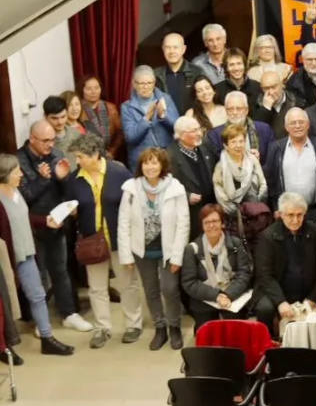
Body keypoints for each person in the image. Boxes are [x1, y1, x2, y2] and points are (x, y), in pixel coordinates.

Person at [67, 134, 142, 348]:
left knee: (128, 284)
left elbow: (134, 203)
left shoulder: (119, 172)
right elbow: (70, 207)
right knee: (97, 287)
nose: (78, 161)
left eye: (80, 157)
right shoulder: (75, 179)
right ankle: (102, 328)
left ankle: (133, 325)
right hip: (92, 240)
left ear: (95, 155)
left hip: (119, 239)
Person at [0, 154, 75, 356]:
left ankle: (46, 338)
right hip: (6, 262)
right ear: (5, 175)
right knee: (4, 306)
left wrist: (45, 221)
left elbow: (25, 217)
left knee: (38, 296)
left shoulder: (16, 193)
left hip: (26, 254)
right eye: (16, 171)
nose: (21, 174)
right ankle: (4, 346)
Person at [17, 120, 88, 332]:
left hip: (57, 222)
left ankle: (69, 313)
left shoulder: (57, 154)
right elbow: (23, 197)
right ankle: (41, 320)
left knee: (61, 270)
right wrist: (42, 179)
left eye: (52, 139)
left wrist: (63, 179)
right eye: (45, 140)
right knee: (37, 275)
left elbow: (66, 189)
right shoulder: (19, 161)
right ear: (32, 139)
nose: (50, 144)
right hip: (32, 226)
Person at [116, 147, 190, 350]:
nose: (150, 167)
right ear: (141, 166)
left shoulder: (175, 187)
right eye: (146, 163)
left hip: (168, 250)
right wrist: (126, 255)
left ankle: (174, 326)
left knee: (170, 288)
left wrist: (177, 257)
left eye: (154, 162)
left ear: (162, 165)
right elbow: (123, 223)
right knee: (150, 290)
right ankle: (160, 328)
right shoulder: (131, 188)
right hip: (142, 250)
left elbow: (183, 223)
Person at [252, 192, 316, 336]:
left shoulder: (315, 231)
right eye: (290, 215)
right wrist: (280, 302)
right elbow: (264, 274)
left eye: (299, 215)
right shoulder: (267, 236)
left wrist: (314, 298)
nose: (295, 220)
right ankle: (269, 341)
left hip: (306, 290)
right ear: (281, 214)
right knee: (264, 308)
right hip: (276, 289)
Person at [179, 204, 254, 329]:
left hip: (231, 294)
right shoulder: (192, 249)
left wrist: (227, 294)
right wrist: (216, 296)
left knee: (234, 329)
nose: (211, 225)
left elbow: (244, 273)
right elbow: (189, 282)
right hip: (205, 297)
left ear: (222, 223)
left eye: (215, 221)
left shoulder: (235, 244)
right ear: (202, 226)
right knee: (206, 332)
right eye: (207, 222)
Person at [263, 107, 316, 220]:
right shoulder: (275, 148)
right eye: (293, 123)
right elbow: (270, 181)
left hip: (314, 212)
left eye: (301, 122)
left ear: (308, 125)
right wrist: (275, 208)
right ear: (286, 127)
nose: (297, 126)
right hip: (285, 213)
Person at [212, 122, 268, 234]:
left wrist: (256, 205)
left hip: (256, 214)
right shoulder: (220, 167)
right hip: (233, 219)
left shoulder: (252, 160)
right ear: (225, 145)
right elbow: (220, 194)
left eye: (241, 141)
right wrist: (237, 212)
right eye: (233, 142)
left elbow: (263, 184)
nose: (238, 145)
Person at [122, 65, 181, 169]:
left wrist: (163, 116)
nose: (146, 86)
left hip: (166, 157)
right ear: (134, 84)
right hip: (142, 161)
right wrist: (146, 118)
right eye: (141, 83)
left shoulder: (165, 99)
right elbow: (131, 137)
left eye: (149, 83)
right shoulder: (127, 107)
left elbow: (178, 128)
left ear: (154, 83)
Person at [168, 116, 216, 239]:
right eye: (194, 131)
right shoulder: (169, 157)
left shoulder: (205, 146)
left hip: (211, 207)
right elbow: (167, 186)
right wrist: (187, 195)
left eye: (199, 129)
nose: (199, 133)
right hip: (191, 214)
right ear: (181, 135)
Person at [206, 91, 276, 161]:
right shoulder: (215, 135)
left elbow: (272, 160)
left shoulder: (264, 129)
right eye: (230, 109)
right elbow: (215, 163)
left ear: (246, 110)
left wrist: (256, 162)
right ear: (226, 111)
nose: (235, 112)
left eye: (239, 109)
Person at [154, 33, 204, 114]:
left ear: (183, 49)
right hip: (165, 125)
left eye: (175, 47)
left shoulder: (197, 72)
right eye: (168, 47)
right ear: (163, 49)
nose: (172, 51)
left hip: (193, 123)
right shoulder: (156, 75)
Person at [79, 74, 124, 161]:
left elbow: (120, 133)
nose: (93, 92)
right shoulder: (78, 110)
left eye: (96, 88)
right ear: (82, 90)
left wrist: (112, 151)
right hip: (88, 157)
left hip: (109, 156)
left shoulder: (111, 108)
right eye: (89, 89)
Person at [252, 70, 301, 138]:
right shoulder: (256, 104)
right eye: (266, 88)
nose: (271, 92)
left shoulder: (296, 102)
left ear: (282, 85)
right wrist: (265, 109)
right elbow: (256, 131)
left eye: (274, 87)